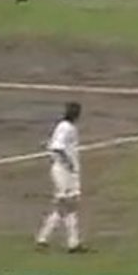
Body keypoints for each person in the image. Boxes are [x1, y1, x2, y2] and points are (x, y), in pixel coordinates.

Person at [36, 102, 86, 253]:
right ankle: (69, 242)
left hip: (67, 172)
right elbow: (57, 148)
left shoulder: (66, 127)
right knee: (67, 205)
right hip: (63, 172)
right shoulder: (65, 127)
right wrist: (68, 164)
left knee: (66, 207)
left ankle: (47, 239)